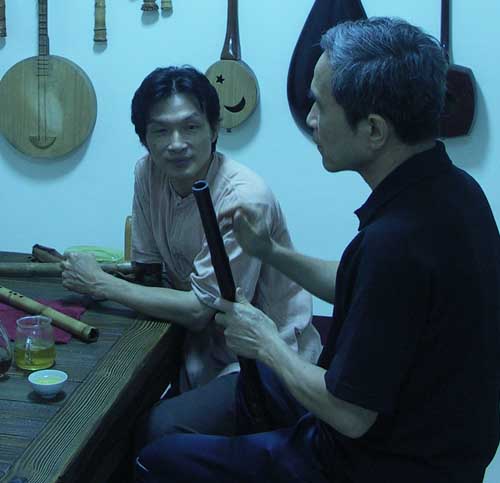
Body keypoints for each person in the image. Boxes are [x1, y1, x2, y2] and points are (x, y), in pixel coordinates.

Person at [134, 17, 500, 483]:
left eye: (320, 106)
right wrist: (269, 250)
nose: (309, 120)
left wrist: (268, 342)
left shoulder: (397, 242)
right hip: (422, 435)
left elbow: (350, 415)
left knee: (158, 459)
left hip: (376, 462)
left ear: (374, 130)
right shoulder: (453, 191)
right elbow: (358, 282)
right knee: (177, 419)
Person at [61, 66, 321, 449]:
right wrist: (107, 279)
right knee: (107, 412)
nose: (176, 144)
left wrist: (100, 283)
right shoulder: (148, 173)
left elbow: (201, 309)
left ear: (214, 129)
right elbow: (150, 272)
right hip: (198, 350)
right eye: (161, 131)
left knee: (158, 429)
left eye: (191, 127)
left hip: (265, 362)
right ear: (144, 138)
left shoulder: (243, 198)